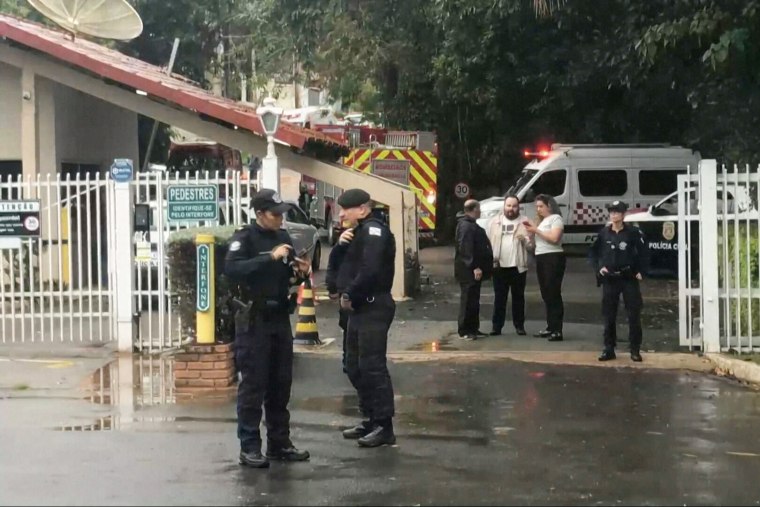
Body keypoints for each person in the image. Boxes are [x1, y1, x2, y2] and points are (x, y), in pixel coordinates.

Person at [224, 188, 312, 468]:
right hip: (254, 319)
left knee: (280, 383)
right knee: (253, 384)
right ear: (260, 214)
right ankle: (249, 446)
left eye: (282, 214)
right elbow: (232, 269)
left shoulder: (283, 238)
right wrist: (269, 258)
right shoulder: (245, 238)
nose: (280, 219)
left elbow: (288, 272)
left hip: (279, 317)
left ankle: (279, 442)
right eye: (275, 214)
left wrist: (300, 270)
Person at [334, 188, 397, 448]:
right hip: (358, 308)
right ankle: (370, 418)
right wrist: (340, 246)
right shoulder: (356, 234)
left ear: (362, 209)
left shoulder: (374, 232)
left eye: (345, 209)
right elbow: (341, 266)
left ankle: (384, 425)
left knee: (372, 367)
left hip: (373, 305)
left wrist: (350, 292)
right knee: (353, 365)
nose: (340, 214)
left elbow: (369, 270)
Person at [589, 200, 650, 362]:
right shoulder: (604, 233)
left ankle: (635, 349)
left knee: (633, 314)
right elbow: (593, 253)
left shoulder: (632, 233)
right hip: (610, 278)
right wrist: (599, 268)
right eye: (612, 212)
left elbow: (644, 252)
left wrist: (641, 271)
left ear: (623, 215)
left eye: (617, 212)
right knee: (609, 315)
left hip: (628, 277)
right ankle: (609, 348)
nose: (614, 215)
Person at [523, 194, 565, 341]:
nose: (538, 209)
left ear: (549, 205)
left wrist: (537, 230)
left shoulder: (556, 219)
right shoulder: (541, 222)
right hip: (541, 256)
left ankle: (557, 329)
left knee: (553, 292)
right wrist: (530, 235)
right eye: (537, 207)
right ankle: (550, 326)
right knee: (546, 293)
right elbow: (533, 245)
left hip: (553, 257)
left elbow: (554, 238)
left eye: (541, 206)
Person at [486, 195, 530, 336]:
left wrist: (525, 241)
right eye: (508, 206)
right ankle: (496, 327)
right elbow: (488, 242)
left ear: (519, 207)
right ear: (504, 206)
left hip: (518, 266)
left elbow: (531, 246)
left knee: (518, 298)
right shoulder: (494, 222)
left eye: (514, 206)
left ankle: (519, 326)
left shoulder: (525, 222)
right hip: (499, 266)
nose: (511, 209)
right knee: (500, 298)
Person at [454, 199, 493, 340]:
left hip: (472, 269)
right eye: (479, 208)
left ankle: (473, 328)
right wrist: (474, 266)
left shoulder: (470, 225)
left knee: (474, 299)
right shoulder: (466, 226)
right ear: (474, 209)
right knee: (468, 299)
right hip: (467, 271)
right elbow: (465, 248)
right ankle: (464, 329)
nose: (480, 211)